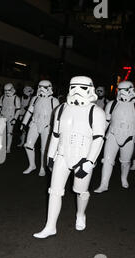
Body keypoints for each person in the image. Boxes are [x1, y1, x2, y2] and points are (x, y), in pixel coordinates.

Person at [34, 76, 106, 239]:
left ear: (90, 89)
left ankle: (81, 213)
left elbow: (98, 139)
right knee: (54, 191)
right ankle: (50, 226)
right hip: (62, 154)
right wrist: (50, 155)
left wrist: (89, 162)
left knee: (80, 191)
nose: (76, 91)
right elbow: (55, 134)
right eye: (73, 87)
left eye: (81, 88)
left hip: (83, 157)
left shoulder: (96, 112)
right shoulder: (61, 109)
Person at [94, 81, 135, 193]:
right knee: (107, 160)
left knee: (125, 161)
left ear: (131, 90)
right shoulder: (111, 104)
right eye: (120, 89)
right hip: (112, 134)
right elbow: (106, 121)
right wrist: (99, 134)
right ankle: (104, 184)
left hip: (129, 136)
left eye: (126, 90)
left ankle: (124, 178)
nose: (122, 92)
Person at [21, 80, 59, 176]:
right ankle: (32, 165)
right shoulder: (35, 99)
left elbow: (57, 116)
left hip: (47, 125)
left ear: (49, 88)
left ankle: (43, 167)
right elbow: (30, 111)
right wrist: (24, 123)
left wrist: (56, 128)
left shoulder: (54, 100)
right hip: (35, 123)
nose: (42, 89)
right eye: (40, 86)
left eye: (45, 87)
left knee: (44, 149)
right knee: (28, 145)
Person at [0, 83, 21, 153]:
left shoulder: (16, 98)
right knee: (0, 132)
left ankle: (8, 148)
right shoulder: (3, 97)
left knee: (9, 133)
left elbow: (18, 109)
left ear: (12, 89)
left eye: (8, 90)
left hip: (11, 117)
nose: (7, 92)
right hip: (2, 115)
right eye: (5, 90)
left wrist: (15, 118)